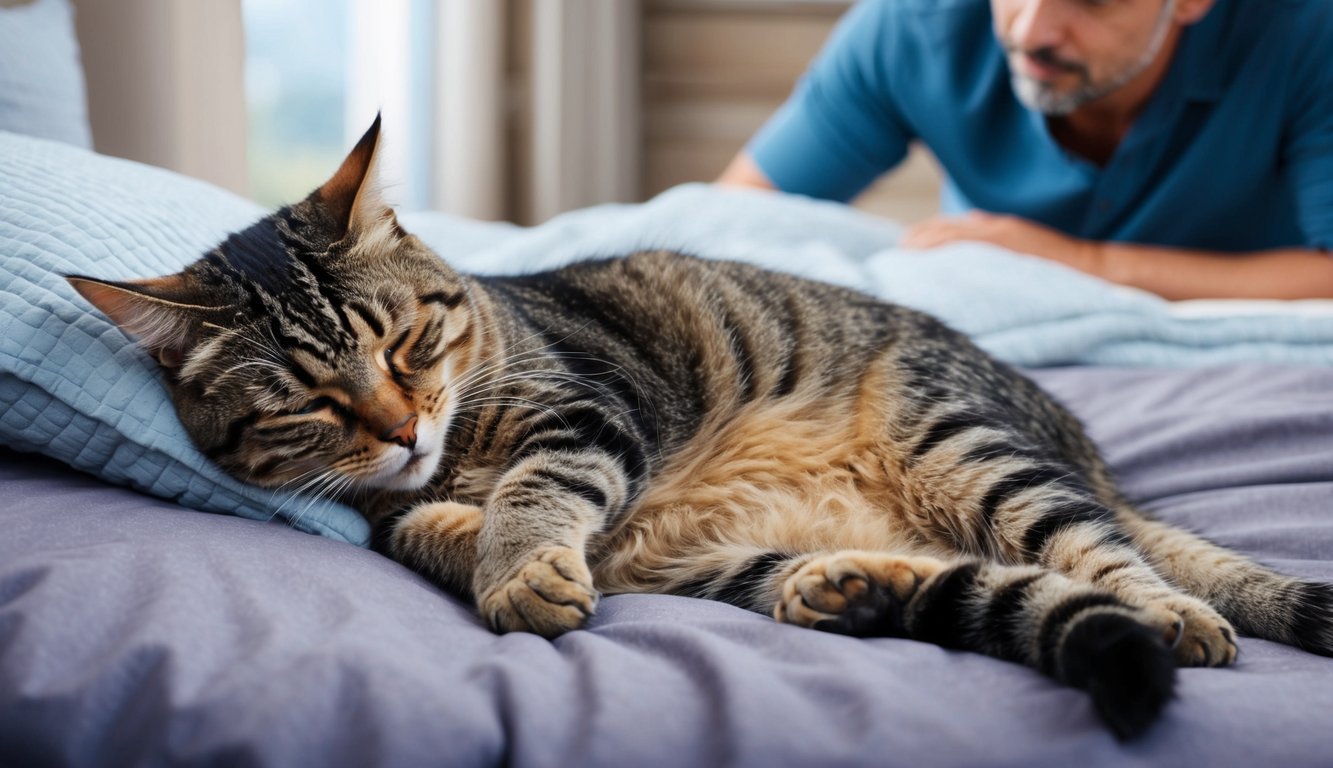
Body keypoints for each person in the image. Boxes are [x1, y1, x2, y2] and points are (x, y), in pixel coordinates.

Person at [717, 0, 1333, 300]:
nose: (1030, 30)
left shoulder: (1308, 32)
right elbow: (736, 221)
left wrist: (1079, 262)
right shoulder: (913, 26)